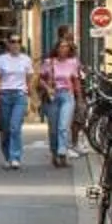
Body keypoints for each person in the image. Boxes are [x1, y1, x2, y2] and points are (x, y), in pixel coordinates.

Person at [0, 33, 36, 170]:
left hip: (19, 95)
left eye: (18, 41)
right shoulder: (2, 59)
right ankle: (7, 156)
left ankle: (15, 157)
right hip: (5, 94)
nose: (15, 44)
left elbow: (29, 80)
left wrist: (31, 98)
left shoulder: (26, 60)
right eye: (12, 41)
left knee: (15, 127)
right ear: (8, 44)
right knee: (5, 129)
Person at [43, 28, 83, 167]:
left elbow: (76, 80)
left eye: (66, 47)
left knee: (63, 126)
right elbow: (40, 79)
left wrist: (79, 99)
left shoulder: (73, 62)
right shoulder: (49, 62)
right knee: (53, 128)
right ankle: (55, 152)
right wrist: (47, 87)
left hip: (67, 96)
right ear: (57, 49)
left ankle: (62, 153)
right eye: (61, 47)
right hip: (52, 97)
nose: (64, 49)